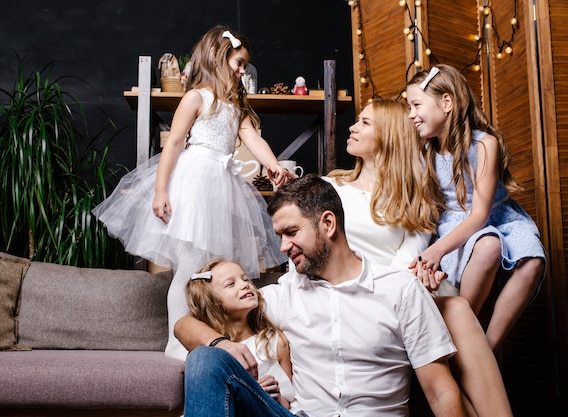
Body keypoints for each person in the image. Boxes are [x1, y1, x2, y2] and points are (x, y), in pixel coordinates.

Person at [177, 175, 468, 417]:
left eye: (291, 232)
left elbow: (440, 391)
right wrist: (220, 344)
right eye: (280, 236)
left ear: (328, 224)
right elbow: (185, 325)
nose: (283, 246)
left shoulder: (400, 289)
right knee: (205, 359)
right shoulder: (285, 295)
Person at [92, 25, 288, 360]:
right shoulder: (197, 97)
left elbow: (253, 138)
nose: (242, 71)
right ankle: (175, 340)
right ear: (217, 57)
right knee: (188, 270)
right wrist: (160, 190)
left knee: (213, 270)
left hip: (222, 188)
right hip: (194, 183)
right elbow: (173, 145)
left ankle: (209, 339)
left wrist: (273, 164)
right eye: (238, 63)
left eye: (244, 66)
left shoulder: (234, 106)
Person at [326, 98, 512, 416]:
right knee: (451, 306)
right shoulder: (329, 188)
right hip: (353, 293)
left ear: (391, 134)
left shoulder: (416, 198)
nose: (353, 128)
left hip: (404, 290)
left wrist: (421, 276)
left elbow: (409, 261)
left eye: (365, 123)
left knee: (454, 305)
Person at [406, 64, 546, 351]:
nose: (411, 114)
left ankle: (486, 350)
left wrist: (437, 250)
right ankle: (463, 335)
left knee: (533, 261)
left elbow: (481, 214)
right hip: (457, 224)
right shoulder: (425, 153)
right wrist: (432, 245)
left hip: (496, 217)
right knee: (488, 246)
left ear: (446, 103)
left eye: (417, 104)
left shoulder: (485, 144)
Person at [185, 260, 293, 409]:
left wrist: (276, 396)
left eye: (245, 279)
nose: (245, 285)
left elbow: (288, 405)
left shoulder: (273, 341)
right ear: (212, 301)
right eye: (231, 284)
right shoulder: (209, 349)